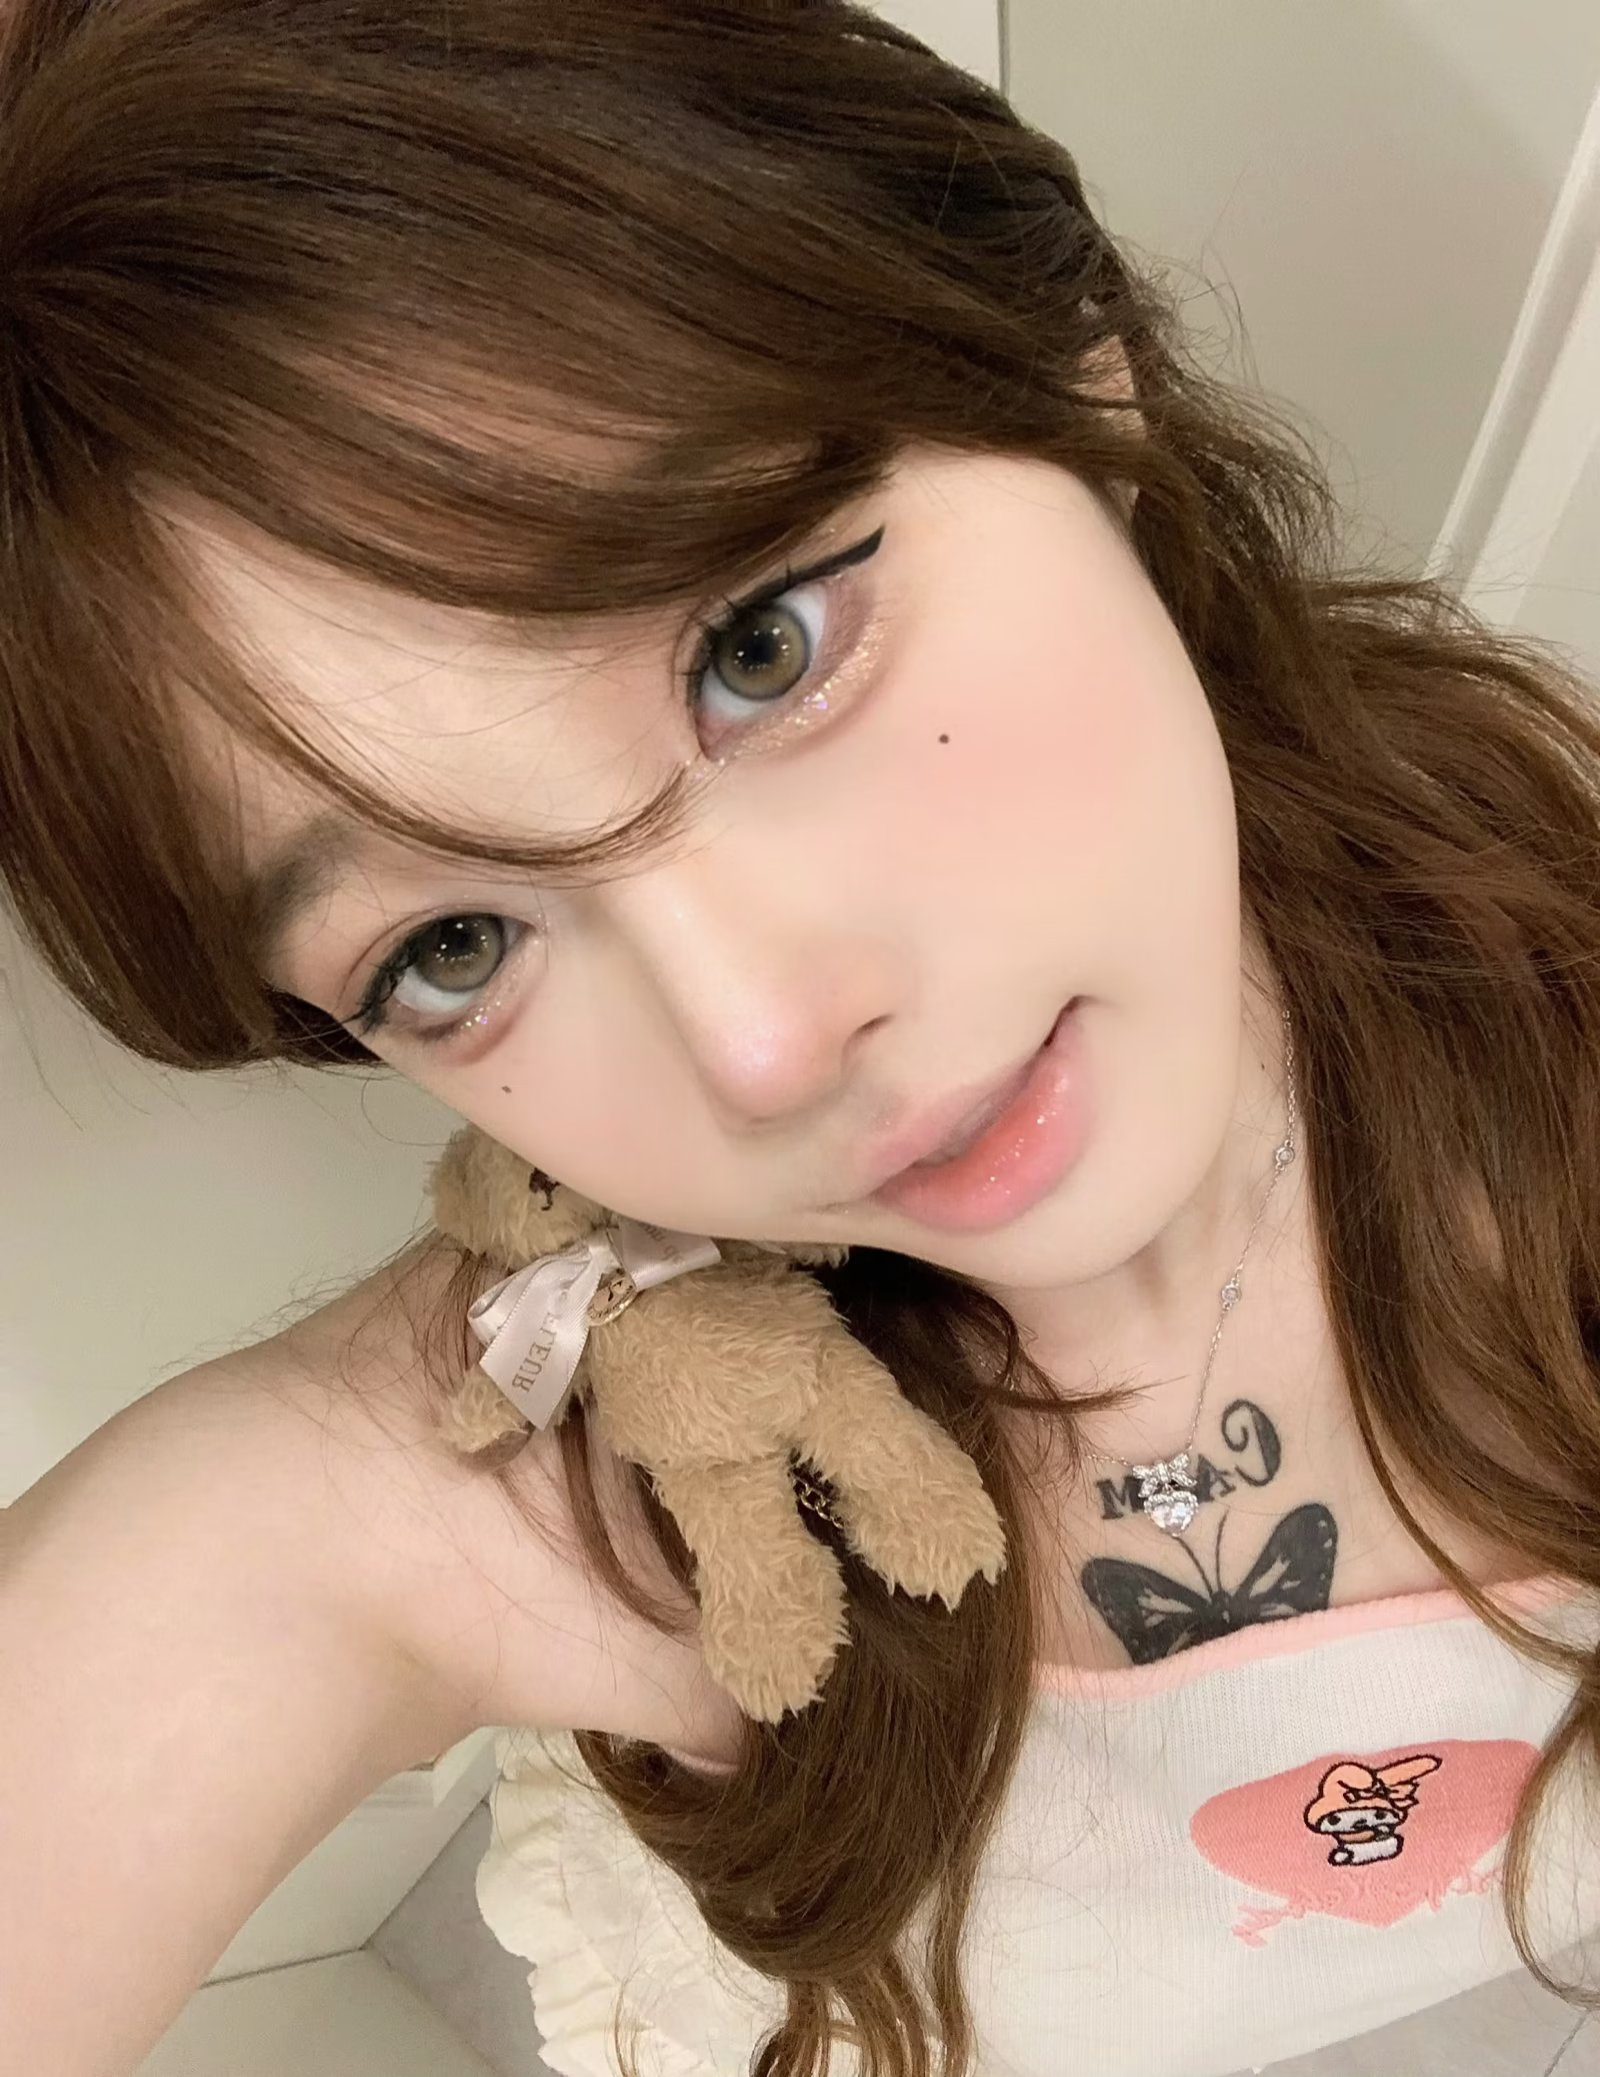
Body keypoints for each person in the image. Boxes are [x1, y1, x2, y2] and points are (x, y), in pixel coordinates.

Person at [2, 3, 1598, 2074]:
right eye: (455, 944)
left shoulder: (1542, 946)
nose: (761, 1047)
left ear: (1068, 362)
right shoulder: (553, 1477)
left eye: (761, 646)